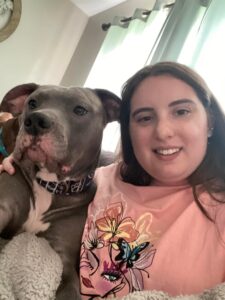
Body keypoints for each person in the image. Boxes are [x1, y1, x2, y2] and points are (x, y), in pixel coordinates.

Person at [1, 61, 225, 299]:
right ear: (128, 128)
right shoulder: (95, 182)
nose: (163, 131)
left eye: (181, 111)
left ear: (210, 121)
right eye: (145, 117)